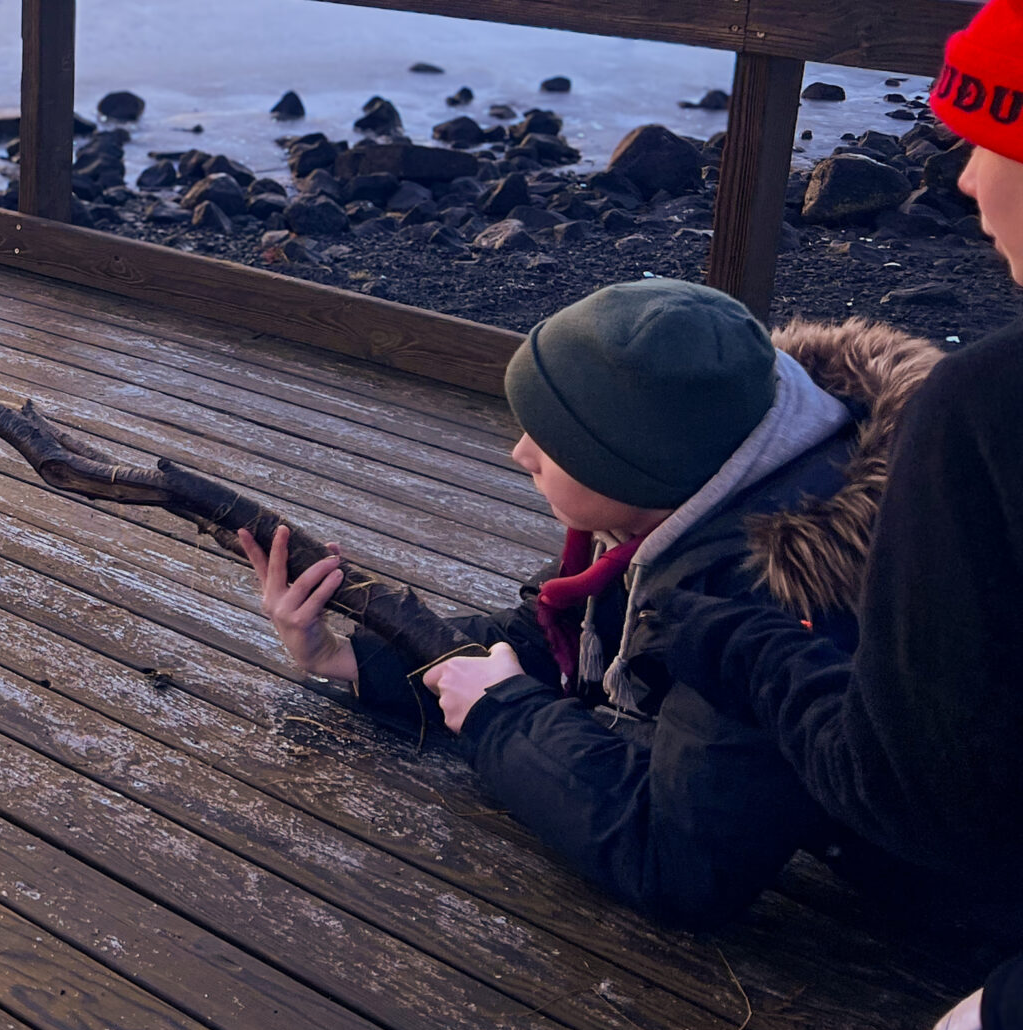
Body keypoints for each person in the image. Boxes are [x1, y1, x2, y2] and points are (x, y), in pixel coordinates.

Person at [664, 0, 1023, 1030]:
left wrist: (743, 645)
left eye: (992, 138)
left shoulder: (986, 413)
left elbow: (915, 798)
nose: (966, 182)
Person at [241, 276, 936, 931]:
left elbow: (676, 865)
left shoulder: (776, 596)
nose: (520, 454)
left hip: (943, 927)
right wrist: (346, 657)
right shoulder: (716, 476)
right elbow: (554, 641)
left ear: (635, 466)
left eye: (554, 443)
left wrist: (499, 713)